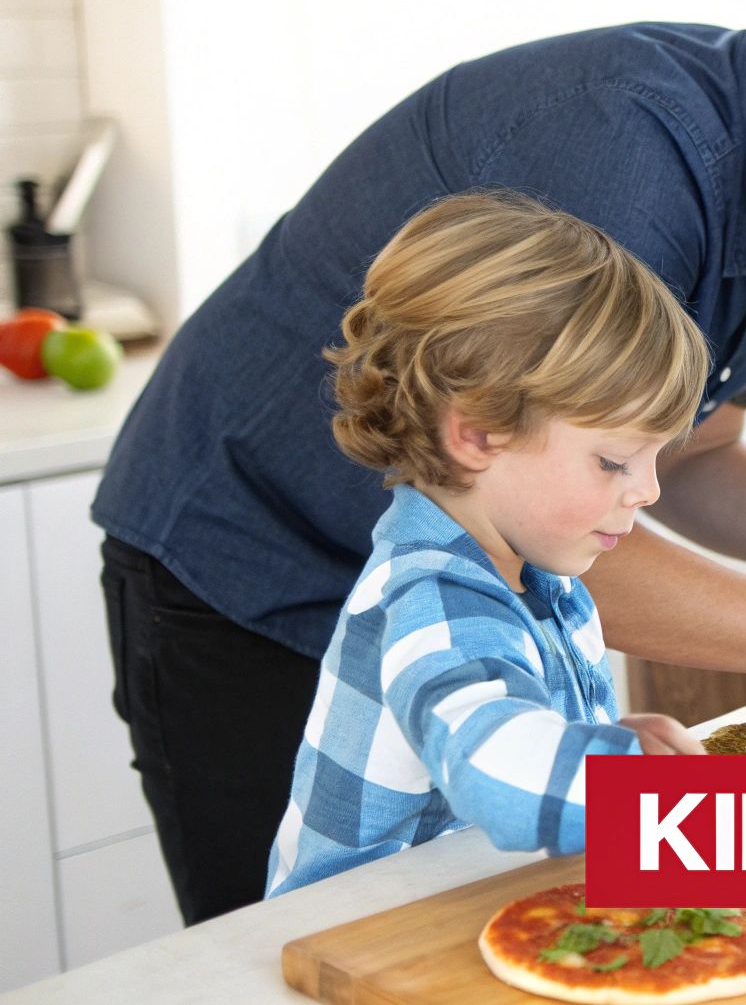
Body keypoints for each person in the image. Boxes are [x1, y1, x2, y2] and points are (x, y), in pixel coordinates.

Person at [94, 0, 746, 922]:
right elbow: (551, 525)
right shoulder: (619, 160)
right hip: (243, 569)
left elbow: (689, 460)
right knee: (290, 951)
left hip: (431, 573)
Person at [267, 190, 708, 896]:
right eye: (614, 462)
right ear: (476, 435)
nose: (647, 491)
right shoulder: (431, 596)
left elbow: (509, 732)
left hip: (454, 914)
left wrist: (604, 743)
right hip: (358, 943)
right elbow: (501, 776)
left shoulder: (536, 573)